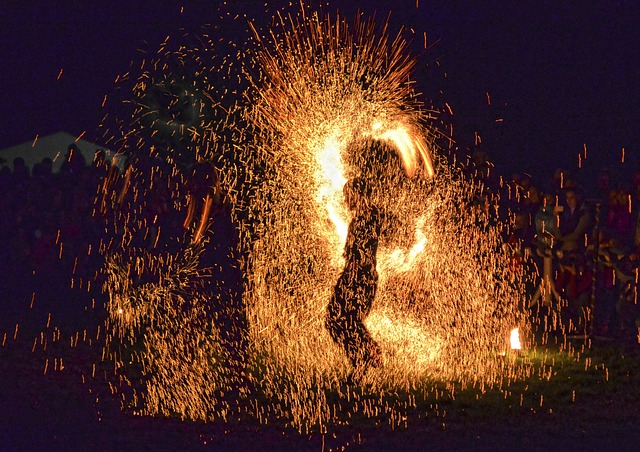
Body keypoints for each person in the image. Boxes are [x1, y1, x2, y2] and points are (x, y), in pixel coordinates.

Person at [326, 177, 383, 383]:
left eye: (348, 195)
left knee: (342, 320)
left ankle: (365, 356)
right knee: (339, 320)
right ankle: (366, 354)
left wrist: (354, 275)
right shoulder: (362, 218)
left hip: (359, 278)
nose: (345, 200)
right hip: (354, 277)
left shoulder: (369, 217)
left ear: (358, 195)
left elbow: (362, 254)